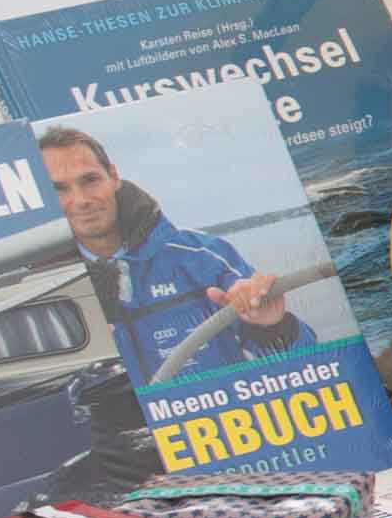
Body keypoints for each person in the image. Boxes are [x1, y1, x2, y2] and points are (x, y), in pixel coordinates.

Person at [39, 124, 304, 384]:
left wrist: (273, 326)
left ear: (114, 176)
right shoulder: (42, 288)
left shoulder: (202, 256)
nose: (81, 200)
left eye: (90, 180)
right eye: (58, 189)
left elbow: (302, 366)